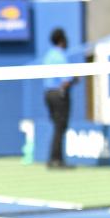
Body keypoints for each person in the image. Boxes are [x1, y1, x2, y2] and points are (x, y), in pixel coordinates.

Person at [42, 27, 75, 169]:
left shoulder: (48, 56)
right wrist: (75, 78)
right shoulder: (60, 56)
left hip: (48, 94)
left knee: (57, 127)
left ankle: (53, 158)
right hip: (59, 94)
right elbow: (66, 80)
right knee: (60, 127)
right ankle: (56, 160)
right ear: (62, 40)